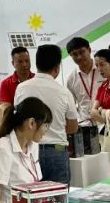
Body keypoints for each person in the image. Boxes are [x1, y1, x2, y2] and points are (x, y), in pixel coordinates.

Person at [14, 44, 77, 184]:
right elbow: (73, 127)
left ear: (36, 64)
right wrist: (54, 129)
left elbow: (17, 119)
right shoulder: (64, 92)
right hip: (56, 152)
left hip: (28, 151)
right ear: (57, 68)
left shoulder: (21, 88)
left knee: (30, 196)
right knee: (58, 197)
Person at [0, 97, 52, 203]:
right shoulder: (2, 148)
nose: (46, 131)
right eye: (45, 125)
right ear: (31, 123)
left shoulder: (33, 145)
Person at [65, 37, 101, 154]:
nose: (79, 57)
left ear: (89, 50)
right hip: (85, 129)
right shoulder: (71, 79)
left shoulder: (103, 69)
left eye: (82, 52)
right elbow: (70, 107)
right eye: (74, 54)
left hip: (106, 125)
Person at [0, 47, 34, 124]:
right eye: (20, 62)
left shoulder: (36, 79)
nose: (24, 64)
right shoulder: (6, 83)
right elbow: (5, 108)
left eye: (27, 61)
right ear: (13, 63)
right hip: (16, 123)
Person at [90, 49, 110, 136]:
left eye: (102, 64)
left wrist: (101, 110)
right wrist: (107, 113)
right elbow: (92, 113)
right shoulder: (103, 85)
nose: (99, 69)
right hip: (108, 132)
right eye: (97, 65)